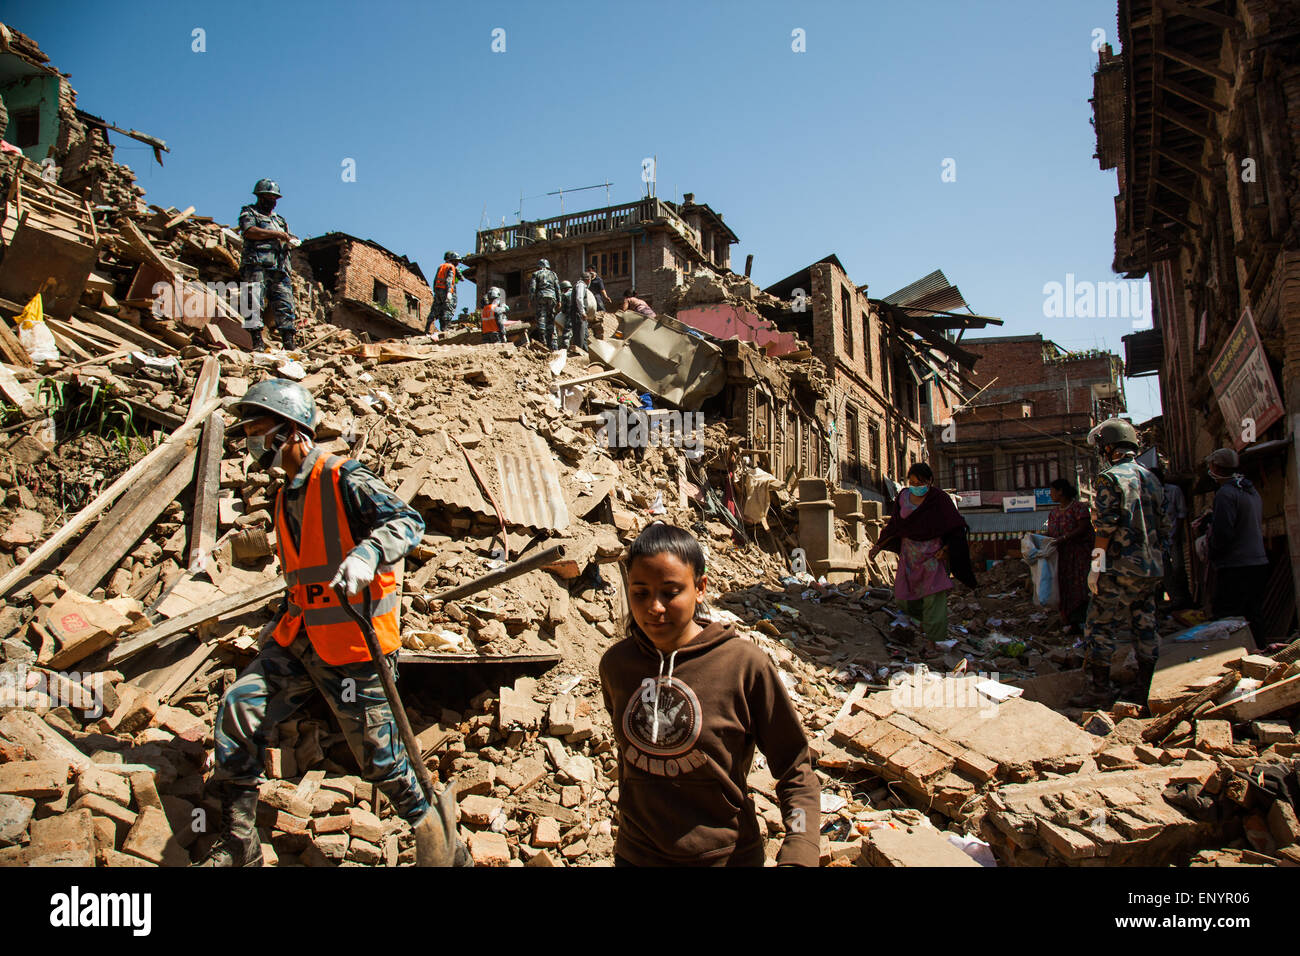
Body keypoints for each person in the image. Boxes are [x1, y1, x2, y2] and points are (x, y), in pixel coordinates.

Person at [197, 379, 464, 867]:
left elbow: (407, 522)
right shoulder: (282, 498)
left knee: (383, 762)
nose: (251, 441)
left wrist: (368, 552)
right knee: (240, 708)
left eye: (257, 430)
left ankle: (446, 849)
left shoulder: (343, 478)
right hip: (299, 642)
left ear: (291, 432)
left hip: (353, 648)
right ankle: (240, 845)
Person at [599, 522, 820, 866]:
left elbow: (795, 769)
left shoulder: (743, 666)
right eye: (640, 593)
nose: (654, 608)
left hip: (725, 858)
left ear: (700, 588)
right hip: (636, 856)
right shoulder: (617, 666)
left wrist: (800, 848)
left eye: (670, 592)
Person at [1071, 418, 1170, 709]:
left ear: (1109, 447)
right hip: (1150, 569)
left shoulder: (1109, 479)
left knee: (1100, 627)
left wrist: (1096, 564)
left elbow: (1105, 527)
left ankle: (1099, 691)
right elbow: (1164, 525)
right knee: (1146, 625)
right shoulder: (1152, 478)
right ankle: (1145, 690)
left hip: (1118, 568)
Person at [868, 462, 977, 645]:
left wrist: (947, 548)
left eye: (920, 483)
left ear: (929, 481)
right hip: (909, 557)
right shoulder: (903, 497)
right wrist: (879, 545)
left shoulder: (940, 499)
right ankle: (924, 623)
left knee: (934, 600)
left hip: (933, 556)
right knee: (903, 598)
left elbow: (955, 525)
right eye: (912, 482)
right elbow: (895, 524)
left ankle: (936, 642)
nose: (916, 487)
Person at [1204, 447, 1269, 642]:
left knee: (1228, 617)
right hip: (1257, 563)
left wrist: (1213, 552)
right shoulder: (1250, 491)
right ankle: (1260, 655)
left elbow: (1224, 533)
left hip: (1236, 565)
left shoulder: (1226, 493)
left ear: (1216, 467)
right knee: (1253, 614)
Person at [238, 179, 299, 351]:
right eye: (268, 197)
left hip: (279, 268)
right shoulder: (249, 212)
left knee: (285, 304)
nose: (272, 201)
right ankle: (256, 342)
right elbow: (249, 231)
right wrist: (277, 234)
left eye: (274, 198)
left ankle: (288, 343)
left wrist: (290, 239)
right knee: (252, 302)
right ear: (259, 197)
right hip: (257, 265)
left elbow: (286, 236)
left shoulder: (279, 220)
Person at [1046, 478, 1092, 634]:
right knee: (1063, 587)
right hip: (1061, 558)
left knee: (1081, 587)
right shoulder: (1053, 513)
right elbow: (1050, 534)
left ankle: (1084, 620)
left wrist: (1065, 538)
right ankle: (1069, 621)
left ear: (1061, 491)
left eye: (1053, 491)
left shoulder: (1079, 508)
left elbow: (1083, 528)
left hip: (1079, 556)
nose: (1051, 494)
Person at [426, 251, 465, 334]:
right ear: (453, 260)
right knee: (448, 310)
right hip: (446, 291)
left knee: (435, 309)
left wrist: (436, 291)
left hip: (438, 291)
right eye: (457, 261)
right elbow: (450, 280)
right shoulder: (451, 267)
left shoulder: (441, 266)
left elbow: (435, 280)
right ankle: (445, 329)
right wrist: (449, 292)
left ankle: (427, 329)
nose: (458, 263)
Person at [529, 258, 562, 349]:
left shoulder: (536, 274)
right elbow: (557, 288)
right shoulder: (553, 274)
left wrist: (531, 300)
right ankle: (553, 343)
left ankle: (543, 342)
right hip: (552, 297)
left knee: (541, 318)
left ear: (540, 266)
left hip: (541, 297)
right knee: (551, 319)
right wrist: (559, 301)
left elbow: (532, 288)